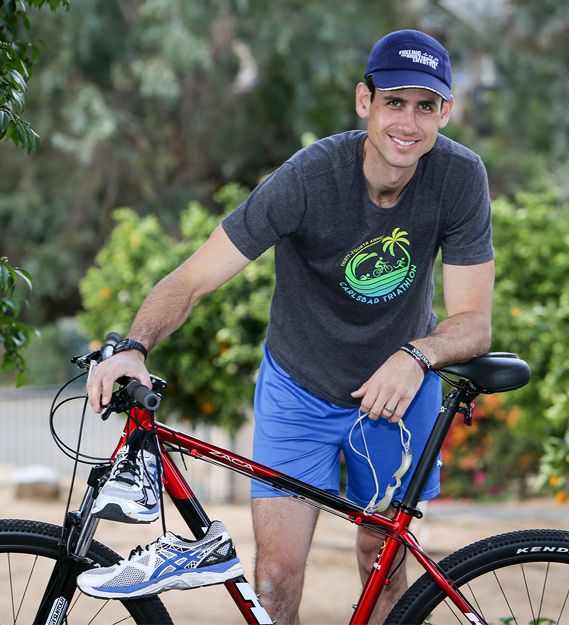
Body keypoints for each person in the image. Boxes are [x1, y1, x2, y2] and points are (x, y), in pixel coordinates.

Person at [77, 29, 495, 623]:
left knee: (385, 559)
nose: (408, 122)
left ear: (444, 112)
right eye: (394, 102)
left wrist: (416, 355)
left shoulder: (459, 177)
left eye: (425, 106)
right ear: (364, 102)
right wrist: (133, 346)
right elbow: (192, 278)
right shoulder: (310, 178)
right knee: (273, 583)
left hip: (397, 392)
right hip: (299, 389)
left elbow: (474, 324)